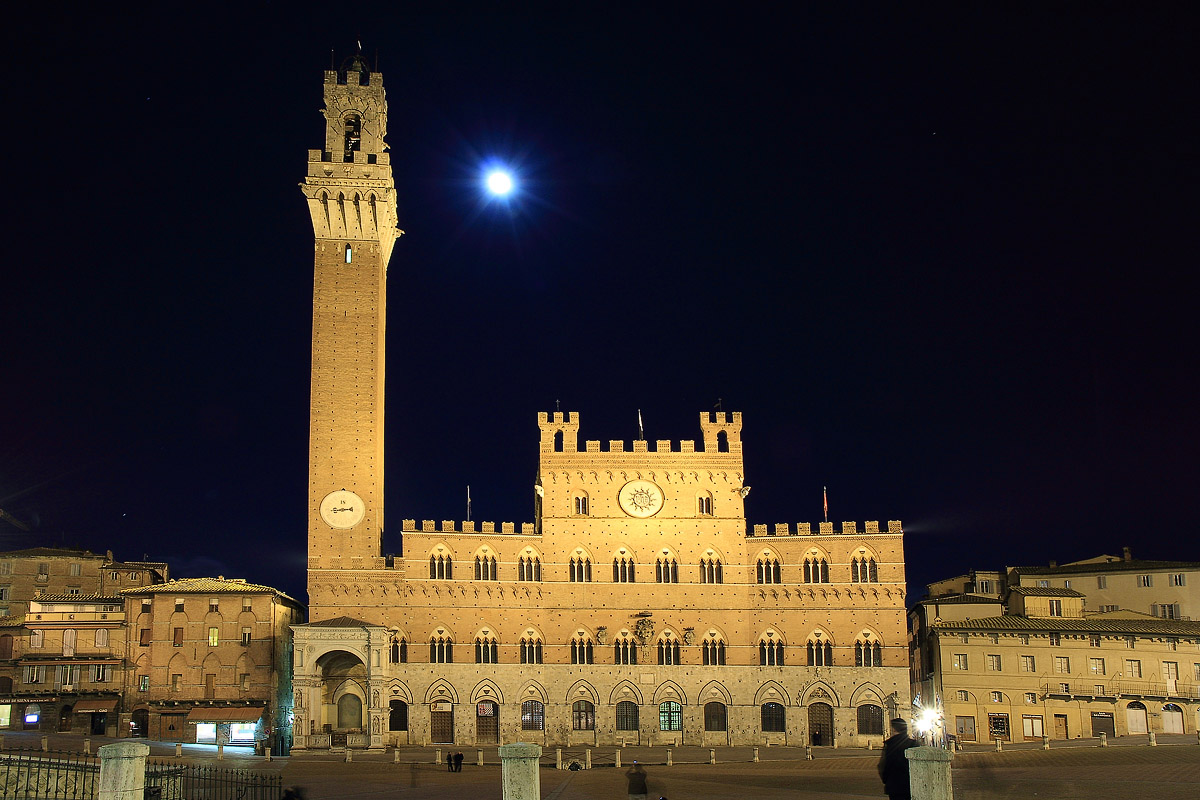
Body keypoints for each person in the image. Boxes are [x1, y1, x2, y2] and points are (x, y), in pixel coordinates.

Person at [878, 718, 919, 800]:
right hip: (911, 785)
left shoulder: (890, 744)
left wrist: (886, 780)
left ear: (893, 729)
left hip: (894, 786)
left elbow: (883, 765)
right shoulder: (914, 744)